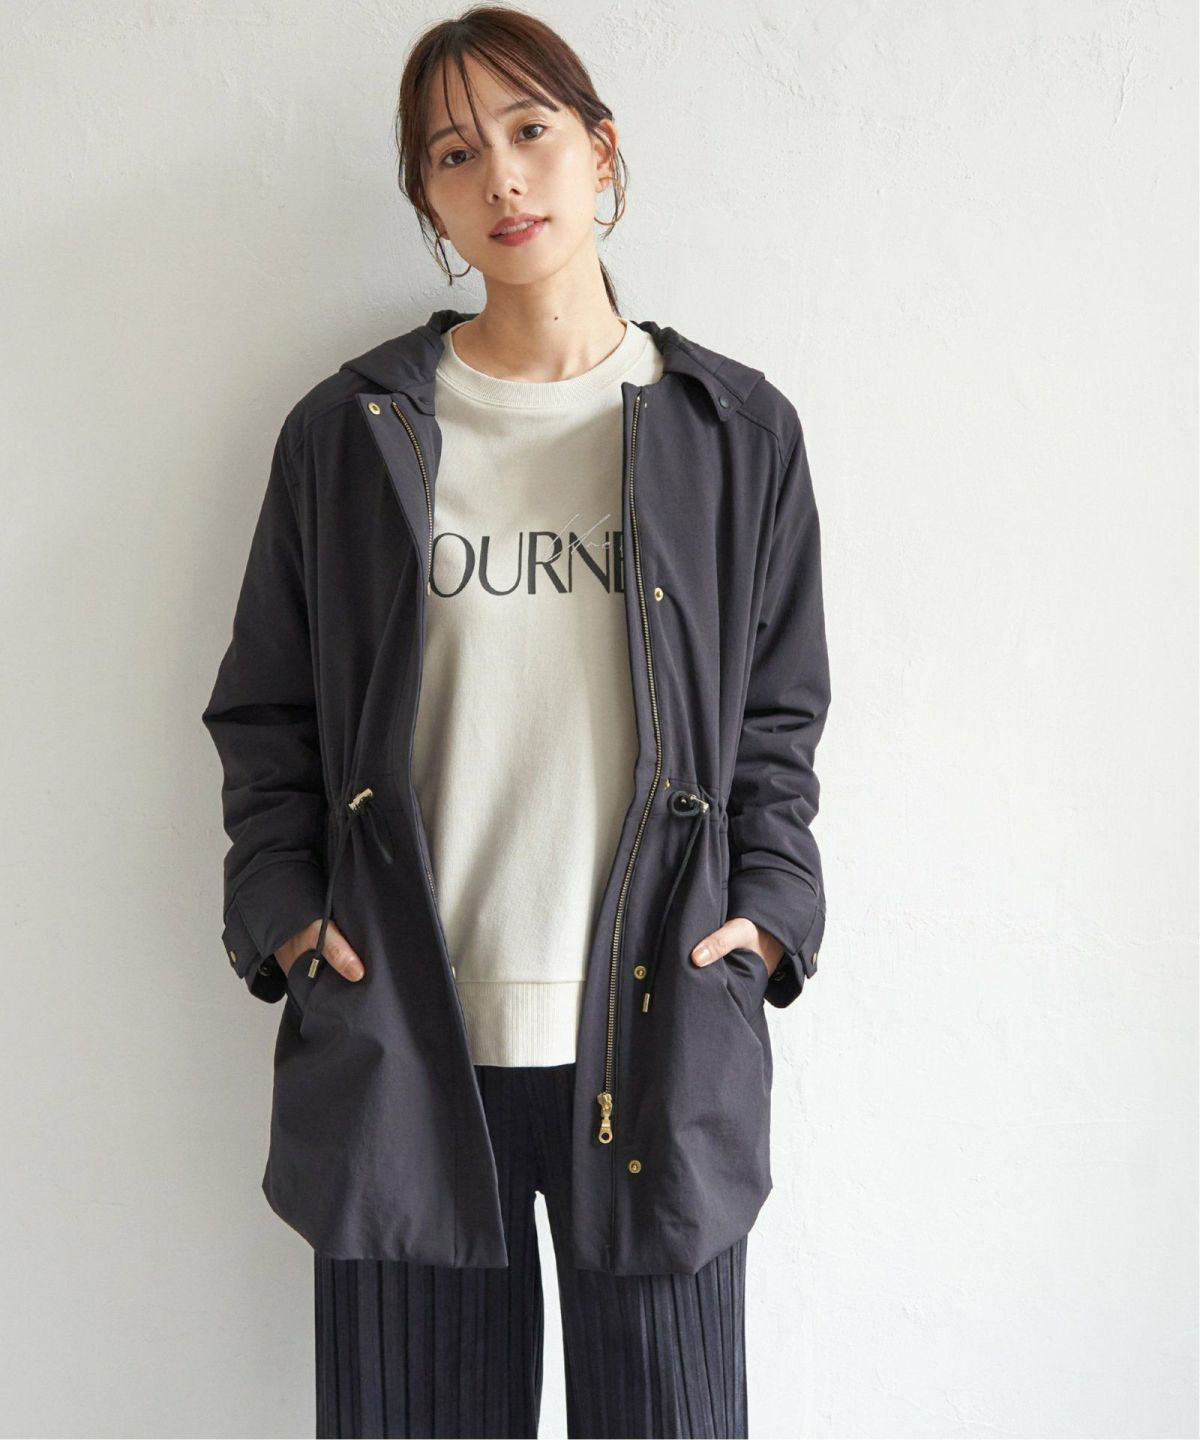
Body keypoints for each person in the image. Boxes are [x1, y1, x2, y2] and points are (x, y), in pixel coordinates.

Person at [202, 6, 831, 1437]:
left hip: (661, 1027)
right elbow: (267, 714)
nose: (501, 175)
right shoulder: (351, 435)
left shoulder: (735, 433)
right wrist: (288, 920)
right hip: (405, 1032)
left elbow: (778, 724)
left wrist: (770, 919)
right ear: (427, 201)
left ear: (601, 151)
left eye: (531, 130)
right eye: (451, 153)